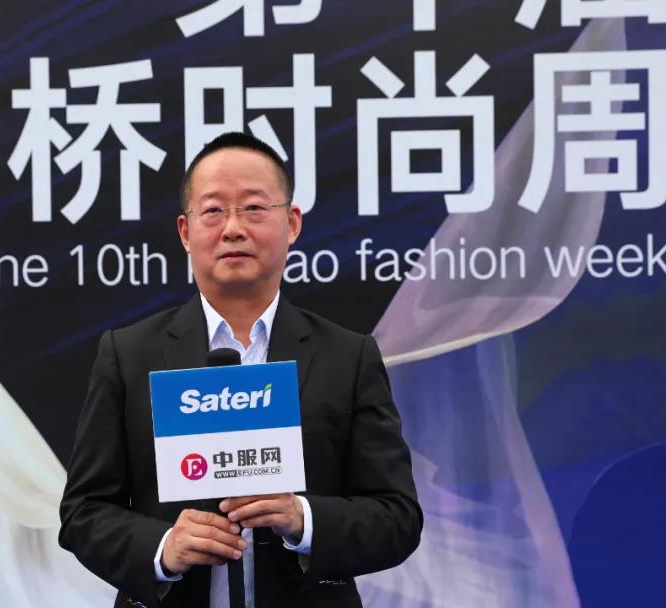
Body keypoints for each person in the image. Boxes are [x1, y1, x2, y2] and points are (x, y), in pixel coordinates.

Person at [59, 132, 422, 608]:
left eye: (254, 208)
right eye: (213, 210)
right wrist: (163, 549)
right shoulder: (129, 355)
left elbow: (397, 517)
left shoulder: (347, 356)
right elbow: (84, 513)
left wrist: (304, 520)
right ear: (185, 232)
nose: (233, 228)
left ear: (292, 224)